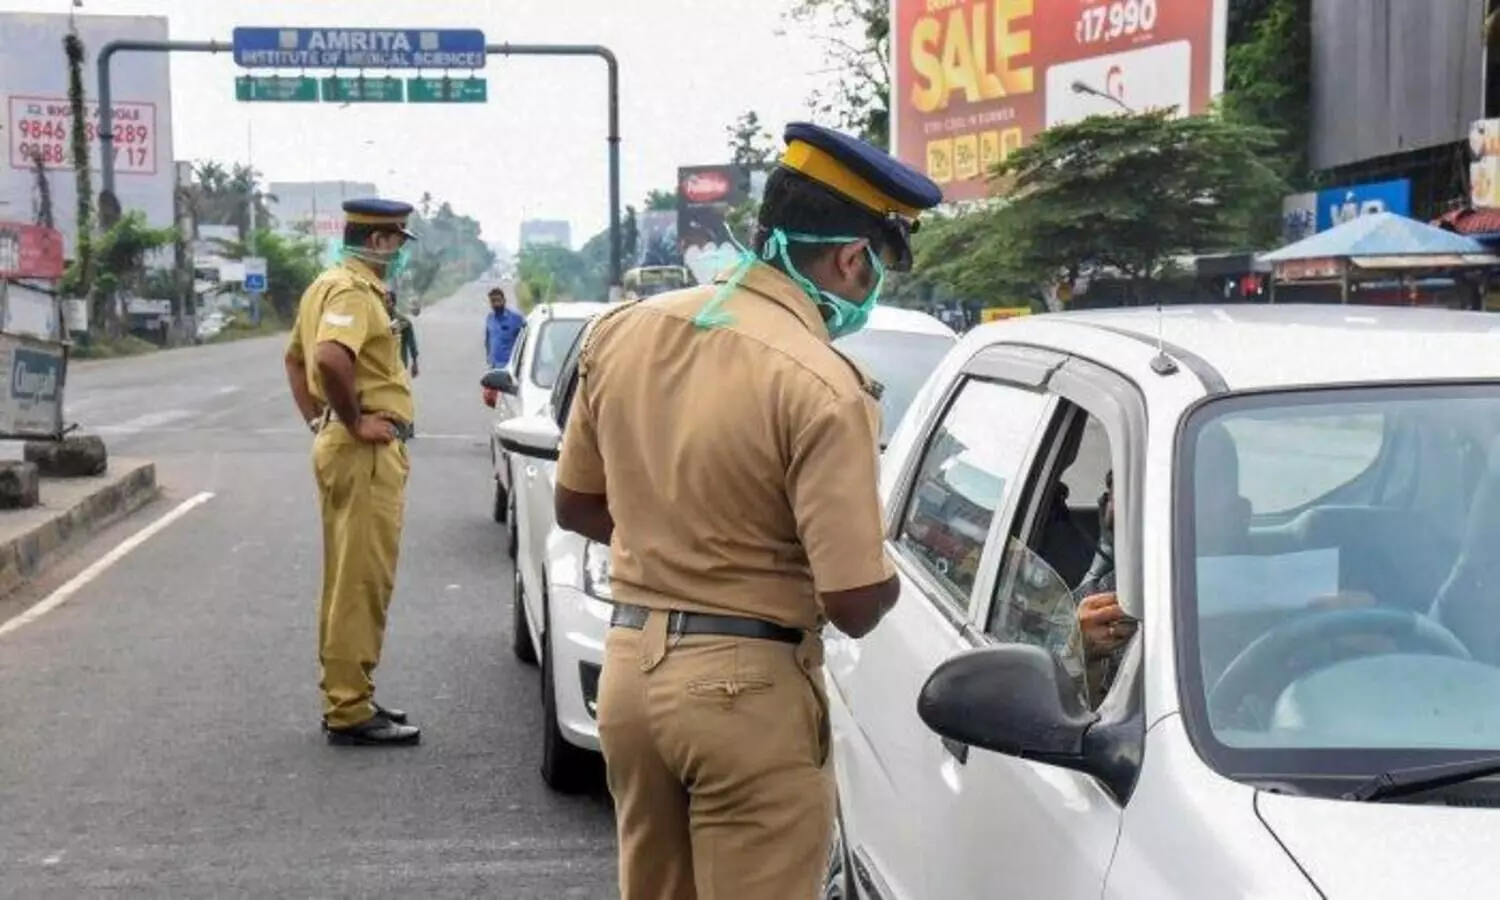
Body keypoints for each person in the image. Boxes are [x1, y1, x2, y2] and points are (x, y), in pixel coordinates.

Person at [553, 122, 942, 899]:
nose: (867, 291)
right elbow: (855, 602)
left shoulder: (625, 333)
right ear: (851, 258)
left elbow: (576, 503)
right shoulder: (826, 385)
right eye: (874, 271)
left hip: (631, 674)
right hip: (745, 696)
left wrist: (683, 548)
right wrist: (898, 559)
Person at [283, 198, 420, 747]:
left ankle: (349, 692)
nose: (400, 252)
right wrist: (353, 421)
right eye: (399, 241)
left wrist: (320, 421)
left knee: (349, 577)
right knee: (360, 580)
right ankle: (348, 708)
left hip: (345, 445)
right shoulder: (351, 292)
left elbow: (295, 359)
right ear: (382, 241)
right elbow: (328, 360)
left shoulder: (324, 285)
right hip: (362, 452)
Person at [484, 286, 524, 370]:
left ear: (504, 301)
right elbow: (488, 339)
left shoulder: (516, 319)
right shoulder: (490, 318)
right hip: (493, 366)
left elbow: (523, 340)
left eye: (498, 300)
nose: (496, 304)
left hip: (510, 367)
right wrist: (488, 357)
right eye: (493, 301)